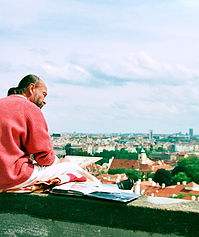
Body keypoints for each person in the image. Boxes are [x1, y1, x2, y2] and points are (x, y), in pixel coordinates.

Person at [0, 74, 133, 191]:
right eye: (43, 94)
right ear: (31, 88)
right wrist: (61, 162)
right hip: (11, 176)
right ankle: (108, 190)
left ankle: (108, 187)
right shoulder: (29, 108)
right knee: (71, 169)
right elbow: (44, 158)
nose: (44, 101)